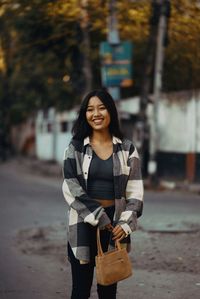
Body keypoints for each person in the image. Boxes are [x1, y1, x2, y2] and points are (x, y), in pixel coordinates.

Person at [62, 89, 144, 299]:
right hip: (82, 223)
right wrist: (98, 216)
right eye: (90, 109)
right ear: (84, 115)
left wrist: (125, 224)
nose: (96, 114)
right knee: (80, 291)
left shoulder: (127, 149)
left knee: (108, 290)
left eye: (101, 108)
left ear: (111, 111)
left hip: (114, 226)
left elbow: (135, 191)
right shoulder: (76, 147)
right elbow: (71, 187)